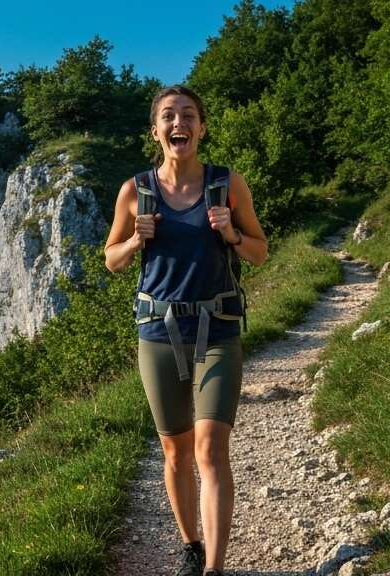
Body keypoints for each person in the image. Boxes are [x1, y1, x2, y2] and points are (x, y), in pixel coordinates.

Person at [104, 85, 268, 576]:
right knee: (175, 452)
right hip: (157, 333)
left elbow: (259, 251)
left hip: (217, 331)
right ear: (156, 131)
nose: (180, 124)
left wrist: (232, 233)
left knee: (210, 447)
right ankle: (191, 545)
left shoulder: (227, 185)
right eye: (169, 117)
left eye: (189, 116)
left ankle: (214, 569)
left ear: (201, 127)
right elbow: (111, 260)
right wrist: (135, 239)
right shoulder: (135, 191)